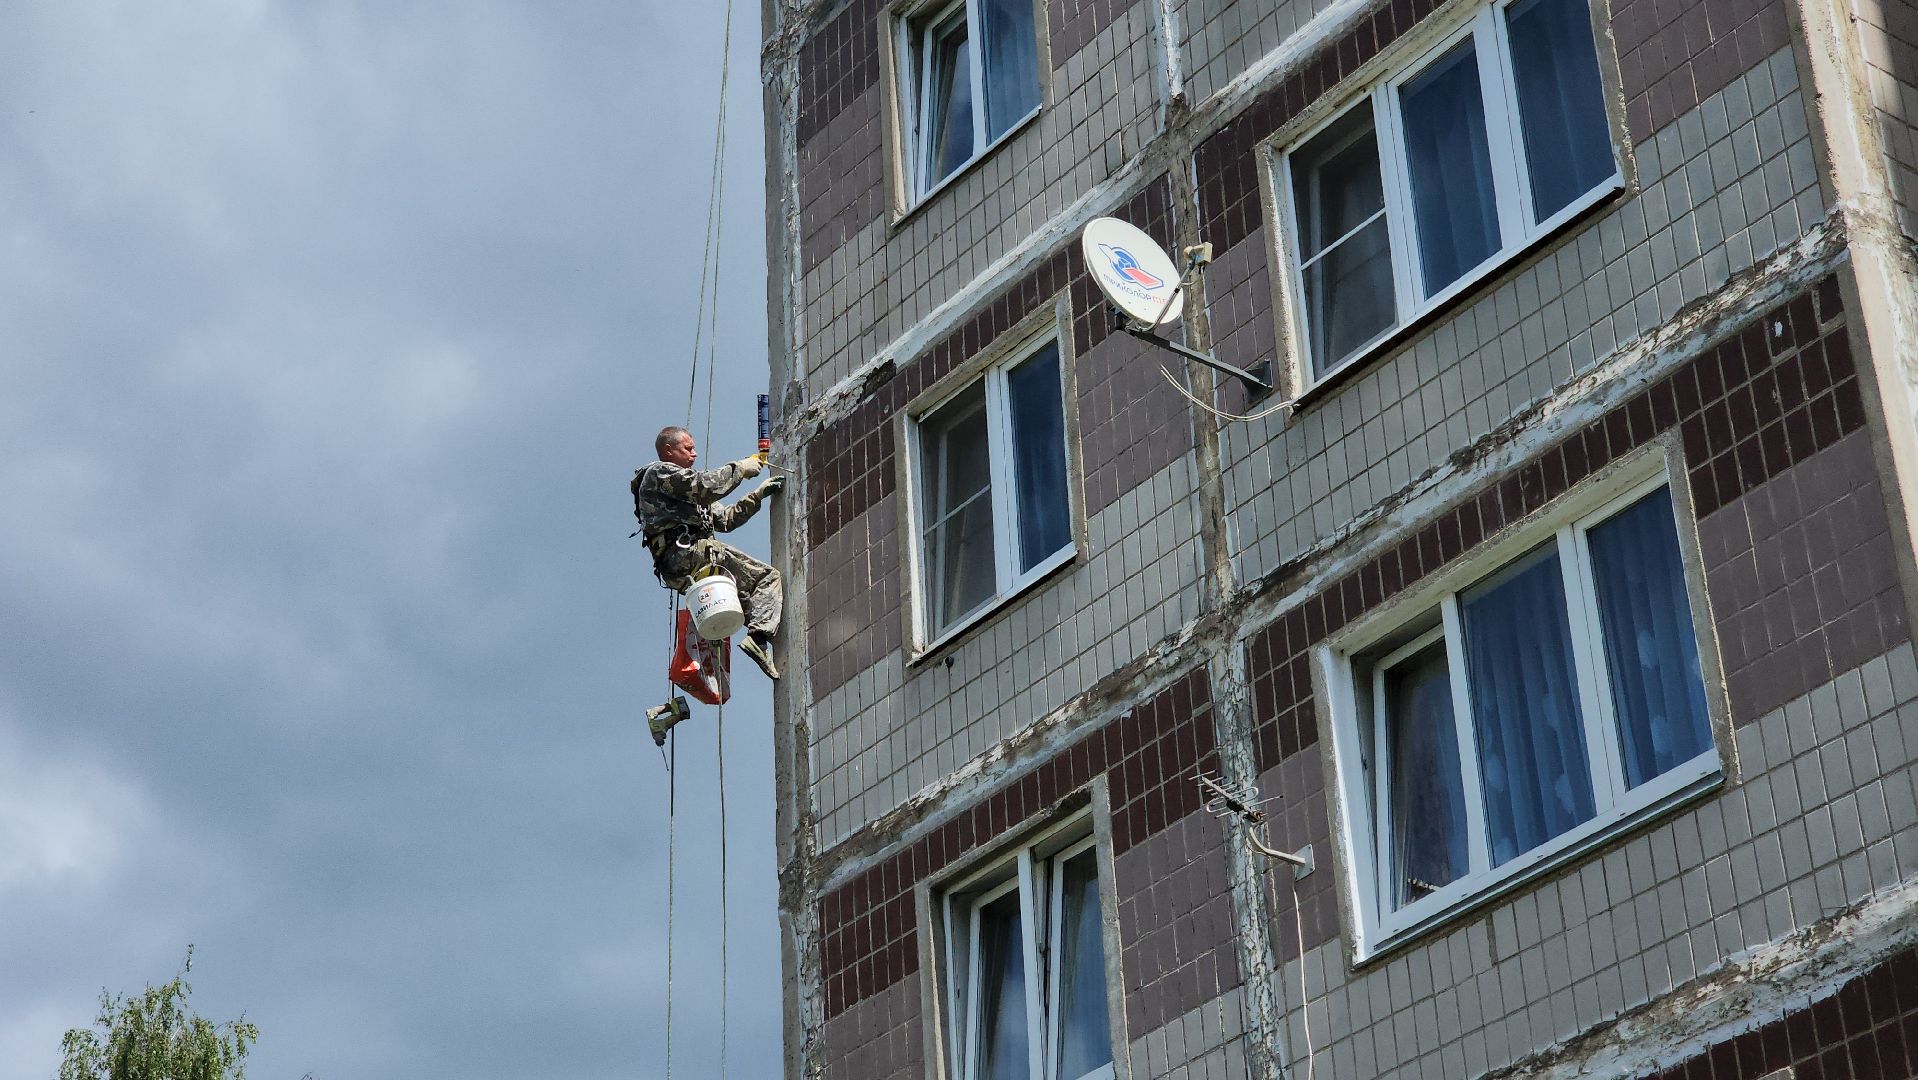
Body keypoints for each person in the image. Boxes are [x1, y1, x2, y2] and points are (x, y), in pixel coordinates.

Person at [633, 425, 784, 679]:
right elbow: (705, 487)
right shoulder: (659, 474)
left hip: (683, 567)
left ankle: (758, 641)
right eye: (688, 448)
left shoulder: (685, 490)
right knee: (766, 578)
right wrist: (741, 468)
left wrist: (757, 495)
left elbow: (724, 519)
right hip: (688, 554)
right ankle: (758, 637)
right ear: (669, 450)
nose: (694, 454)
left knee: (751, 598)